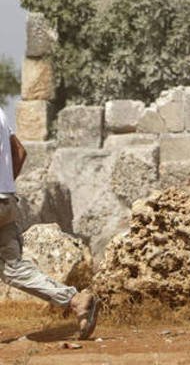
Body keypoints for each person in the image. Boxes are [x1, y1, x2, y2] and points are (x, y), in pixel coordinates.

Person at [0, 106, 98, 339]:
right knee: (12, 269)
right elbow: (20, 152)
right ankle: (75, 300)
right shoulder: (1, 113)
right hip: (6, 203)